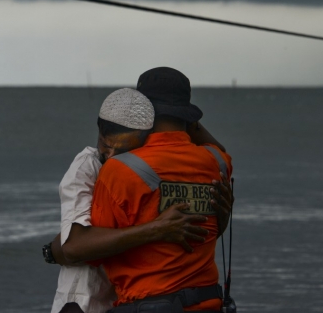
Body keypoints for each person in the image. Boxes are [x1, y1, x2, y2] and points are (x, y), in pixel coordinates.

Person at [48, 88, 232, 313]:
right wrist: (155, 229)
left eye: (122, 149)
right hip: (82, 299)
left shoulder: (137, 169)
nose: (112, 155)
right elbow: (72, 247)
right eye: (106, 145)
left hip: (121, 300)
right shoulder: (88, 167)